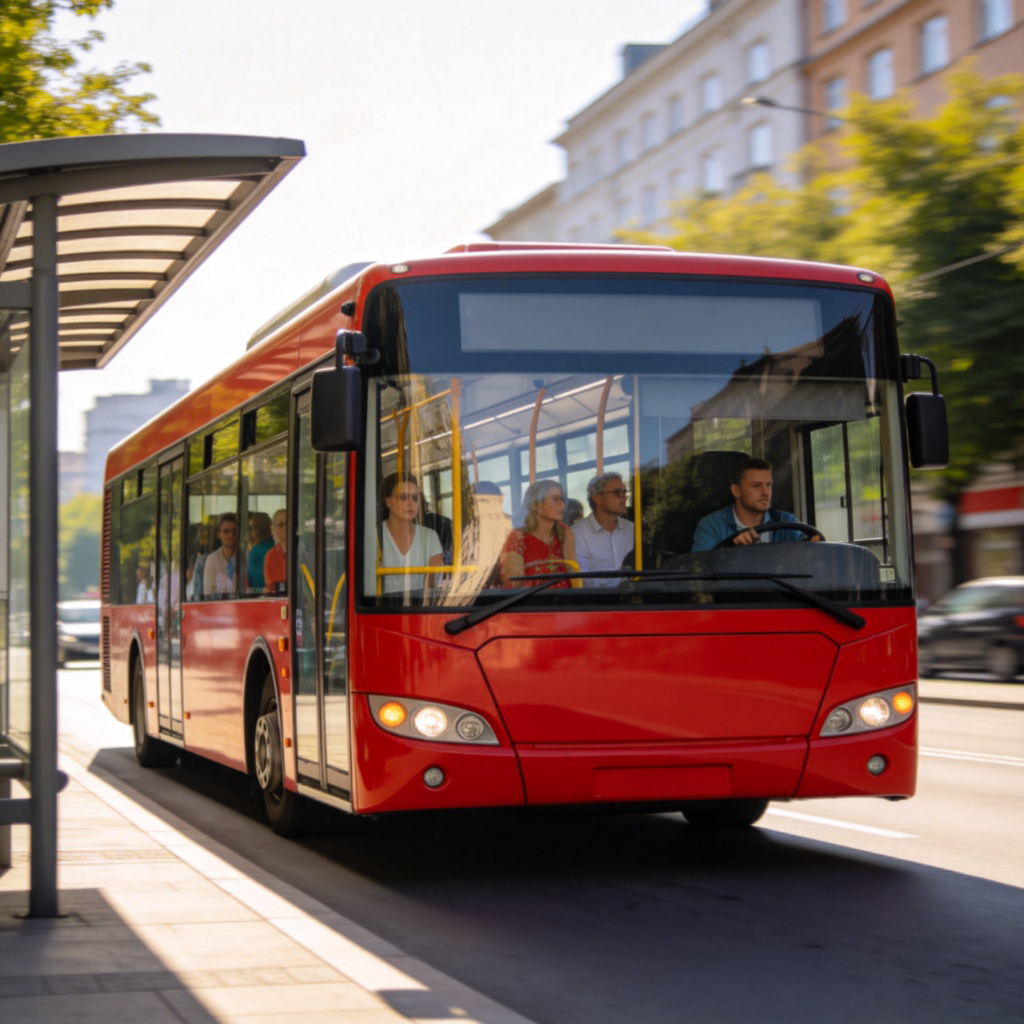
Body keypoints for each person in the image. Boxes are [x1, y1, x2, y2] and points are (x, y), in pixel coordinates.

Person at [691, 457, 817, 551]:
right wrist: (730, 551)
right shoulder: (711, 526)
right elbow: (700, 572)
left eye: (768, 485)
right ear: (736, 491)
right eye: (756, 486)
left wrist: (814, 542)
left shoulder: (787, 522)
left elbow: (810, 555)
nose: (765, 492)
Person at [500, 479, 577, 588]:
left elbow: (573, 572)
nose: (562, 505)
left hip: (564, 601)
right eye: (555, 499)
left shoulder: (565, 533)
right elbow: (514, 584)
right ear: (536, 505)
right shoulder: (518, 537)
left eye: (562, 499)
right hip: (532, 602)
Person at [380, 472, 443, 596]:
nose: (410, 503)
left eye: (415, 498)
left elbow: (432, 589)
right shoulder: (375, 536)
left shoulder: (430, 538)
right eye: (403, 497)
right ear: (388, 502)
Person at [571, 472, 633, 585]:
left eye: (624, 492)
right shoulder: (576, 533)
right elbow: (582, 580)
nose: (624, 497)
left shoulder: (632, 529)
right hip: (597, 601)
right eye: (618, 492)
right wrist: (624, 583)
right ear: (597, 498)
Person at [203, 512, 241, 596]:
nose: (230, 535)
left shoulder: (244, 558)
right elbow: (208, 594)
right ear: (218, 534)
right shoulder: (212, 560)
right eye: (226, 531)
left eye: (234, 531)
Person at [246, 511, 273, 591]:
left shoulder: (255, 552)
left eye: (251, 528)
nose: (249, 533)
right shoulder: (277, 546)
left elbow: (255, 582)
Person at [263, 508, 288, 594]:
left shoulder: (304, 550)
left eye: (288, 523)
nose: (285, 527)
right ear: (273, 529)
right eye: (280, 525)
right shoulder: (271, 554)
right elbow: (272, 584)